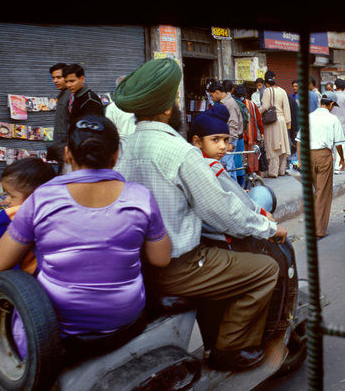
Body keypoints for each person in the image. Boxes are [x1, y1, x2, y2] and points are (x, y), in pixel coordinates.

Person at [112, 58, 287, 370]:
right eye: (176, 98)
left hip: (138, 266)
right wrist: (268, 228)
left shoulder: (124, 148)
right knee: (265, 269)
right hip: (178, 266)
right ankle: (230, 349)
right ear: (167, 108)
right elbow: (222, 212)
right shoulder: (180, 152)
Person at [0, 115, 171, 358]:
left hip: (58, 329)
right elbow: (161, 259)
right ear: (116, 154)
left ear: (67, 153)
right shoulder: (140, 197)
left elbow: (0, 262)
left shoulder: (42, 198)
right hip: (125, 319)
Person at [190, 104, 274, 243]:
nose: (223, 146)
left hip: (206, 230)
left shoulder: (194, 162)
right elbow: (243, 200)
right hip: (220, 233)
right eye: (215, 139)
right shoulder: (212, 166)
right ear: (197, 141)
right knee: (263, 195)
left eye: (225, 140)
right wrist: (264, 214)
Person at [0, 158, 56, 284]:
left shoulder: (14, 213)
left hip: (28, 275)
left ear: (32, 195)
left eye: (11, 195)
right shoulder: (56, 207)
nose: (6, 200)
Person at [296, 91, 345, 239]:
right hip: (323, 156)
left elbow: (299, 141)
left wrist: (300, 161)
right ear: (330, 104)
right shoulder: (333, 119)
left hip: (307, 155)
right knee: (322, 192)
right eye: (332, 105)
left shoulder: (309, 117)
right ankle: (318, 231)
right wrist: (342, 159)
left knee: (313, 191)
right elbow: (338, 144)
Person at [207, 81, 243, 182]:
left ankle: (232, 191)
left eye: (212, 95)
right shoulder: (225, 102)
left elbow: (233, 124)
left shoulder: (228, 104)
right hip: (227, 139)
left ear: (217, 92)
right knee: (230, 167)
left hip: (229, 139)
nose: (212, 98)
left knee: (227, 168)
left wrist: (229, 142)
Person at [260, 71, 292, 178]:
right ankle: (281, 170)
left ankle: (273, 172)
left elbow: (265, 106)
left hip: (272, 121)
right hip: (282, 121)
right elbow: (287, 108)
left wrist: (256, 113)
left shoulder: (267, 91)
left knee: (272, 146)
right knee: (281, 146)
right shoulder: (282, 91)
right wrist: (288, 122)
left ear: (266, 84)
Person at [234, 84, 264, 176]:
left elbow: (258, 120)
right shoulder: (251, 104)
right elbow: (259, 120)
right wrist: (261, 132)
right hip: (247, 137)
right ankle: (251, 174)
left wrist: (261, 132)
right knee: (249, 158)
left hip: (246, 137)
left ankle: (247, 175)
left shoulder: (236, 104)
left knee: (244, 158)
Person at [47, 63, 71, 167]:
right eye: (53, 78)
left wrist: (69, 146)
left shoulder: (71, 96)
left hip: (68, 148)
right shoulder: (62, 95)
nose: (55, 81)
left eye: (58, 77)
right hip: (61, 146)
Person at [333, 78, 345, 171]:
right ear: (344, 87)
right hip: (343, 125)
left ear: (335, 86)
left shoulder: (331, 96)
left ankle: (337, 165)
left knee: (334, 146)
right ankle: (339, 166)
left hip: (332, 124)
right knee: (341, 145)